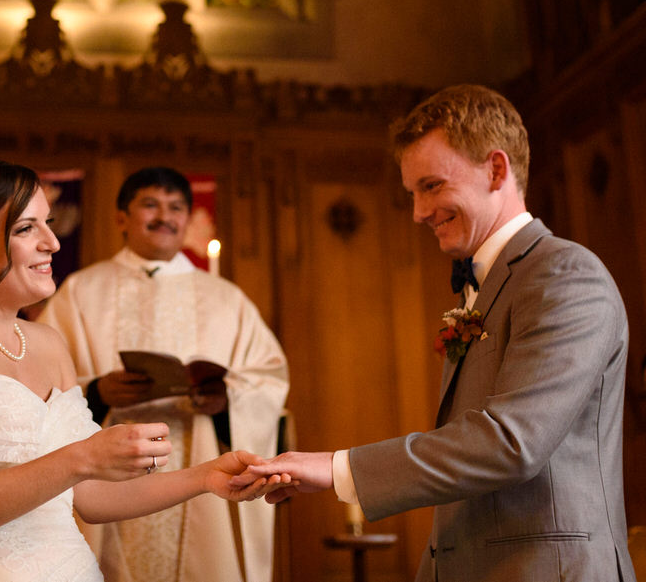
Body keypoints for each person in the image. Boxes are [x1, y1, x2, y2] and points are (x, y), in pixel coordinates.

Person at [235, 84, 637, 581]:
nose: (419, 213)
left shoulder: (566, 275)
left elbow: (512, 443)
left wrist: (339, 469)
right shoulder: (483, 285)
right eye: (413, 193)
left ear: (496, 169)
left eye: (432, 186)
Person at [0, 156, 285, 582]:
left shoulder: (47, 342)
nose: (53, 242)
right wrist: (82, 456)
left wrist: (205, 476)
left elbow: (90, 496)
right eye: (26, 228)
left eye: (47, 223)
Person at [37, 167, 289, 582]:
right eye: (150, 205)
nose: (164, 217)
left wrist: (226, 400)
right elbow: (40, 382)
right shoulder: (82, 291)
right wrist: (98, 392)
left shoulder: (225, 298)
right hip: (109, 475)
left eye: (176, 208)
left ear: (188, 220)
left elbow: (268, 379)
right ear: (122, 218)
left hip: (202, 470)